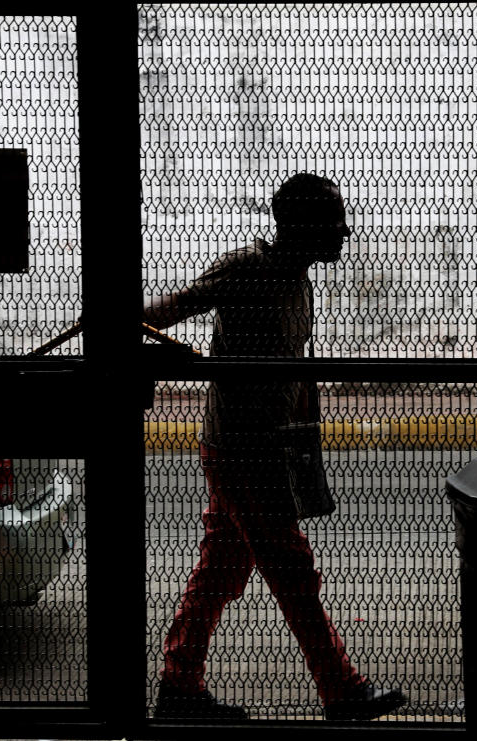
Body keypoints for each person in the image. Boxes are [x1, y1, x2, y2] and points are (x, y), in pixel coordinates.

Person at [143, 173, 407, 721]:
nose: (345, 230)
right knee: (291, 568)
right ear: (302, 224)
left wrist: (303, 441)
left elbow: (294, 369)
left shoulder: (297, 280)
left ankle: (179, 686)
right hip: (240, 450)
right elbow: (161, 312)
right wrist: (175, 355)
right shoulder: (248, 269)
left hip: (265, 448)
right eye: (334, 219)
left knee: (220, 570)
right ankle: (342, 690)